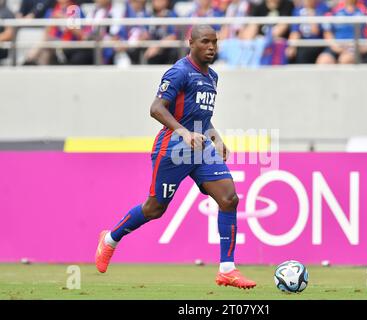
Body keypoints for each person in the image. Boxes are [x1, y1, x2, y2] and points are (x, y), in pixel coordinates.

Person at [95, 25, 257, 290]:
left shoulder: (212, 77)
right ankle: (110, 239)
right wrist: (183, 132)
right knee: (154, 209)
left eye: (215, 42)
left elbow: (202, 117)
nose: (212, 47)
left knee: (229, 198)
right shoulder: (179, 72)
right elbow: (156, 108)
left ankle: (227, 269)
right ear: (190, 43)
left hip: (200, 147)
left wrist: (215, 135)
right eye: (205, 42)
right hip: (173, 149)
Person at [316, 0, 367, 64]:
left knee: (345, 59)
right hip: (337, 46)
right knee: (324, 60)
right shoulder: (334, 8)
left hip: (357, 47)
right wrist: (336, 47)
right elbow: (327, 31)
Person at [144, 0, 179, 65]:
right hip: (150, 48)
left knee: (173, 51)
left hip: (166, 49)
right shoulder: (148, 15)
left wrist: (157, 47)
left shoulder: (172, 15)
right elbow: (145, 33)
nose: (158, 1)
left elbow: (173, 36)